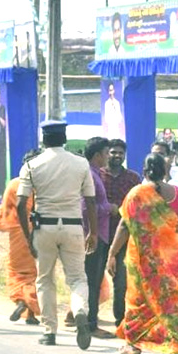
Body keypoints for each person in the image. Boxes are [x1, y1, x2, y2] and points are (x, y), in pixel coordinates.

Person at [17, 120, 98, 349]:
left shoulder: (32, 165)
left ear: (44, 139)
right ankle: (80, 309)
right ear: (64, 139)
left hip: (45, 227)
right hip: (73, 227)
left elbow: (20, 203)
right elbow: (90, 200)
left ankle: (49, 331)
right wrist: (92, 231)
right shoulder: (81, 164)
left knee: (45, 279)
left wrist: (28, 235)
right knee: (77, 278)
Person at [106, 153, 178, 354]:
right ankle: (176, 348)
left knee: (139, 300)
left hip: (142, 258)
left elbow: (124, 226)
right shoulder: (177, 193)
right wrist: (168, 233)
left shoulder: (136, 193)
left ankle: (133, 345)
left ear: (144, 171)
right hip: (170, 258)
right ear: (165, 171)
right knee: (170, 300)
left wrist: (112, 253)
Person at [0, 151, 42, 324]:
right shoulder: (44, 184)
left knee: (17, 271)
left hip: (18, 233)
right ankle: (31, 314)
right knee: (36, 273)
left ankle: (22, 300)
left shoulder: (14, 184)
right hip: (41, 231)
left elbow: (4, 209)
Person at [101, 139, 141, 328]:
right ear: (106, 153)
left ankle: (120, 320)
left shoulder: (133, 179)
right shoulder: (97, 175)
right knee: (92, 278)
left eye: (120, 153)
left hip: (125, 236)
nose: (117, 156)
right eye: (113, 152)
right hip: (98, 233)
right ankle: (87, 318)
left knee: (122, 280)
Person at [80, 137, 114, 338]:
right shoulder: (90, 176)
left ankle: (85, 317)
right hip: (94, 233)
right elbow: (86, 207)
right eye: (106, 153)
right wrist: (110, 208)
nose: (108, 156)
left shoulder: (95, 174)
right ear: (97, 155)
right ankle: (91, 323)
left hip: (97, 232)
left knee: (92, 279)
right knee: (91, 280)